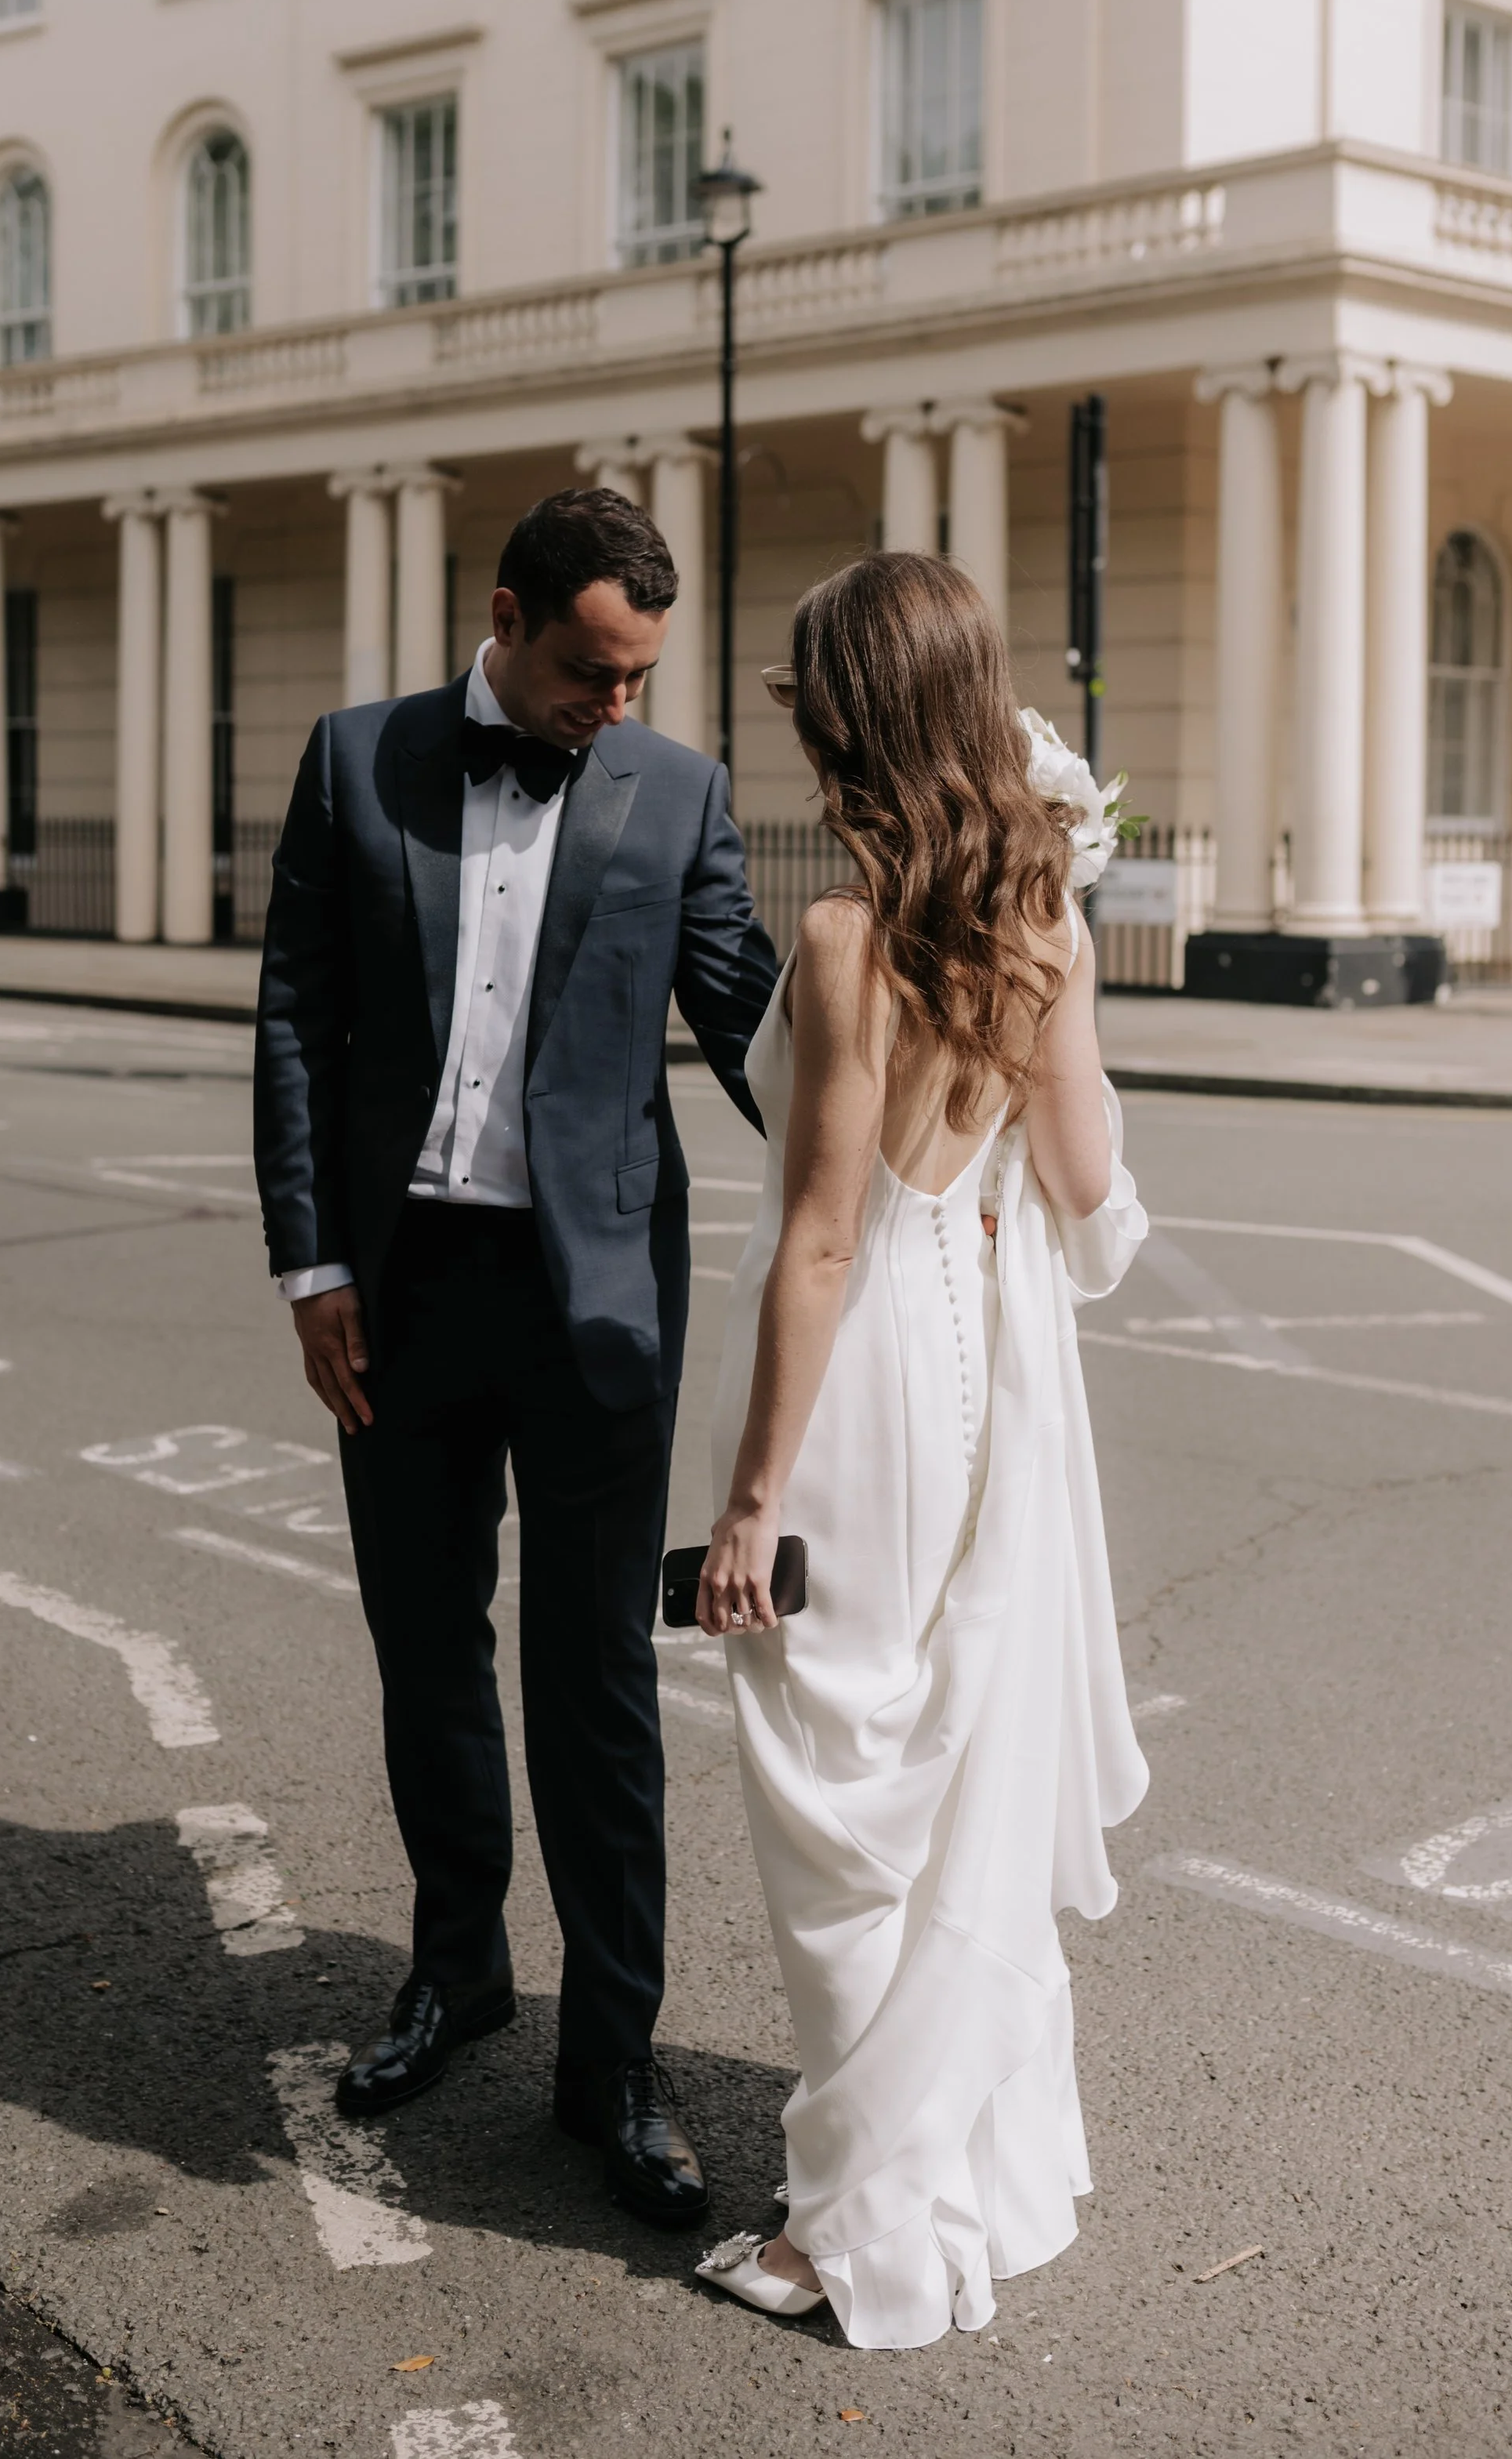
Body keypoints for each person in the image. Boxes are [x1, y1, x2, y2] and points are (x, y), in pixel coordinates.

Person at [253, 487, 778, 2231]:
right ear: (503, 613)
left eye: (634, 680)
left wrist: (926, 1123)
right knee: (424, 1649)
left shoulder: (679, 793)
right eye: (581, 670)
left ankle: (610, 2064)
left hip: (595, 1306)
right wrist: (312, 1256)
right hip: (398, 1289)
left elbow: (758, 1027)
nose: (608, 707)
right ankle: (456, 1968)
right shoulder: (355, 762)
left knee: (597, 1694)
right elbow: (297, 1019)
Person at [691, 551, 1150, 2346]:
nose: (793, 726)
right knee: (941, 1771)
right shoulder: (1040, 923)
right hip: (975, 1378)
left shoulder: (842, 940)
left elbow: (819, 1239)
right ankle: (966, 2165)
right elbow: (1086, 1183)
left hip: (865, 1382)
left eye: (806, 697)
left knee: (834, 1801)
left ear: (851, 717)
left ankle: (856, 2232)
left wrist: (744, 1499)